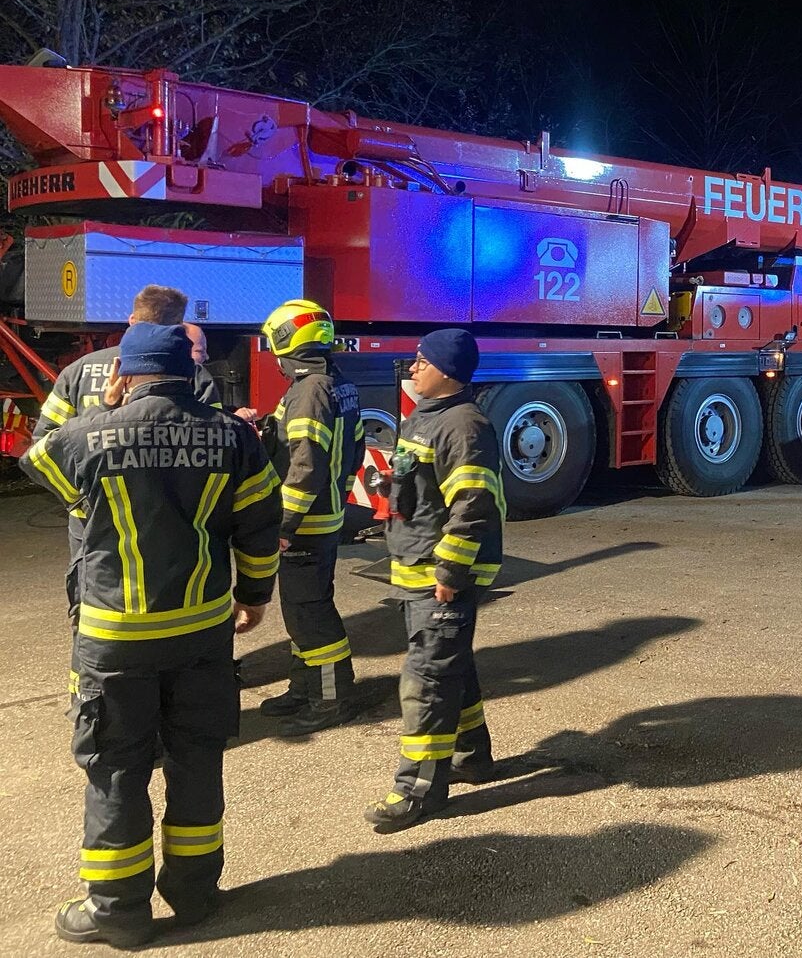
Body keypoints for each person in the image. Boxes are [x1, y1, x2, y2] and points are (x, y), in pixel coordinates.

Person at [19, 323, 281, 948]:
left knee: (116, 767)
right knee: (197, 756)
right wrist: (253, 598)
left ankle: (118, 910)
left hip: (115, 637)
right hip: (201, 631)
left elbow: (37, 464)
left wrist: (107, 414)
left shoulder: (87, 435)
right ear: (190, 375)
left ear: (123, 375)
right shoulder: (233, 437)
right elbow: (260, 524)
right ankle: (194, 894)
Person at [364, 328, 504, 832]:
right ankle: (471, 755)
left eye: (422, 361)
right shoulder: (428, 417)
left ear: (447, 371)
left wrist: (451, 570)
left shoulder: (463, 425)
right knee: (451, 665)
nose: (413, 368)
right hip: (416, 567)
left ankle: (418, 790)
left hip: (437, 574)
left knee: (426, 680)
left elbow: (473, 504)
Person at [32, 286, 223, 624]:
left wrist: (80, 501)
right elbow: (215, 450)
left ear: (131, 320)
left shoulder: (78, 371)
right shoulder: (196, 376)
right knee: (181, 608)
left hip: (94, 522)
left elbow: (44, 449)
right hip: (174, 521)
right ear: (179, 328)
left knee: (96, 610)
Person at [258, 299, 365, 736]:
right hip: (324, 517)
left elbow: (304, 463)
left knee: (310, 612)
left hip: (305, 524)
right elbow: (353, 449)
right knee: (299, 609)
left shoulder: (308, 390)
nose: (275, 359)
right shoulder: (335, 382)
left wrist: (283, 523)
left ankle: (332, 697)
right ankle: (303, 686)